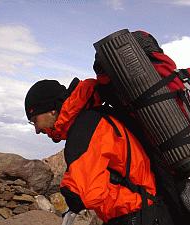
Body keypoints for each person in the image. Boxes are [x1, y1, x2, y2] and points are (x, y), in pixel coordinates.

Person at [24, 77, 174, 225]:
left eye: (34, 120)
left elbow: (85, 193)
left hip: (138, 213)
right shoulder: (94, 118)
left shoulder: (86, 126)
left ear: (51, 110)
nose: (37, 130)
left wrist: (72, 193)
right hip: (142, 211)